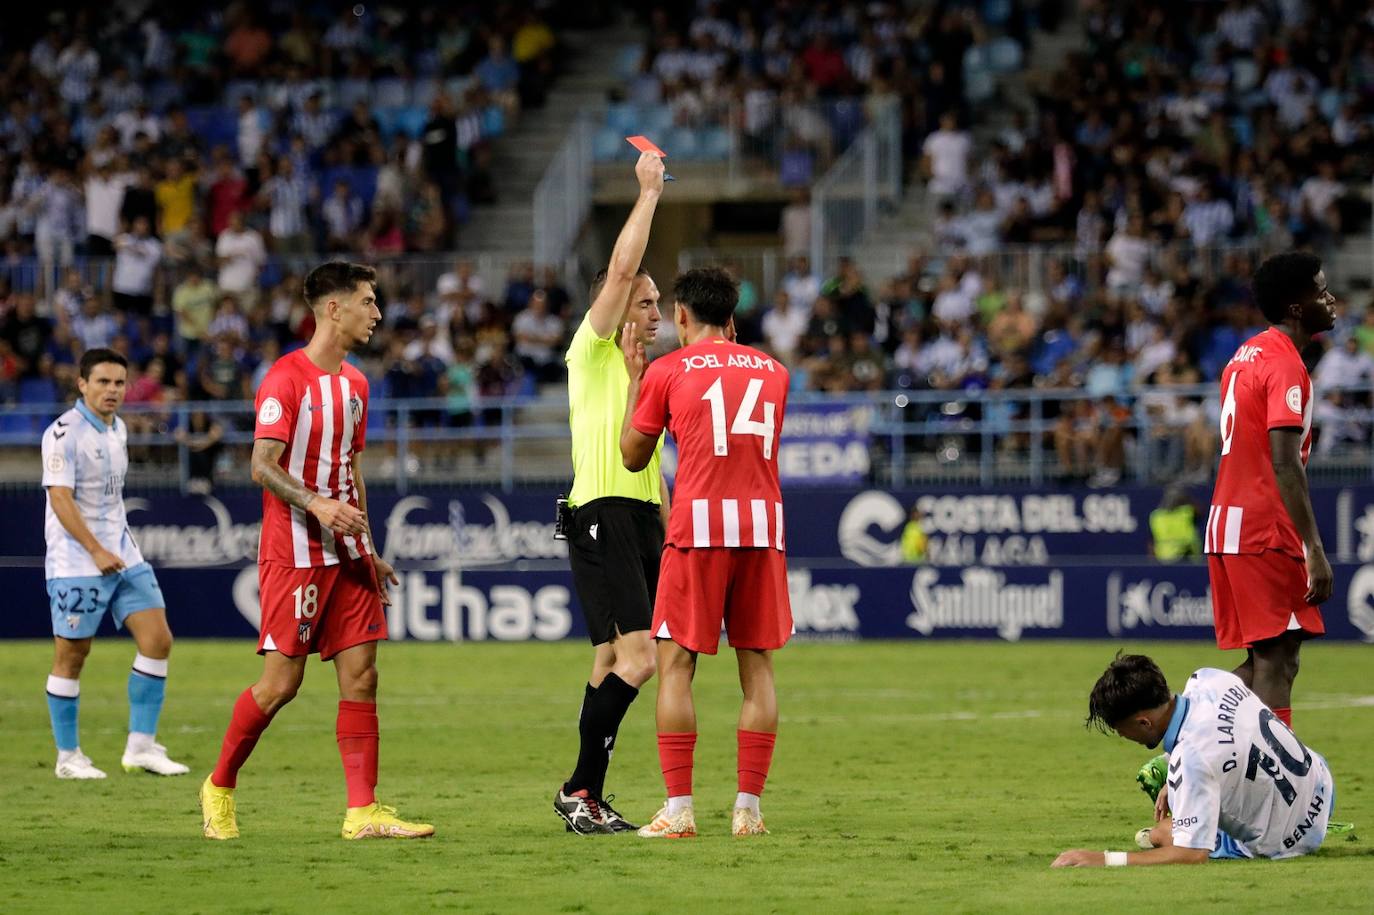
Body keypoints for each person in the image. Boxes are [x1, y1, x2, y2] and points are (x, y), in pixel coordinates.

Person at [200, 262, 433, 841]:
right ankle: (219, 785)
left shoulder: (356, 385)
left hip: (348, 556)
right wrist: (317, 506)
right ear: (334, 309)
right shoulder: (285, 378)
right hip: (296, 553)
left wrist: (368, 548)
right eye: (368, 302)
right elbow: (261, 466)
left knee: (363, 676)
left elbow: (349, 470)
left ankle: (363, 812)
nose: (377, 314)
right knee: (281, 685)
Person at [621, 266, 792, 839]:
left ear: (682, 316)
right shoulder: (776, 372)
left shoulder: (668, 370)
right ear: (734, 318)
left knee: (676, 666)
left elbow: (631, 456)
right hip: (762, 528)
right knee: (758, 669)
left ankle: (680, 811)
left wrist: (632, 379)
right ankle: (748, 810)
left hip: (697, 527)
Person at [552, 151, 669, 836]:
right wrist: (648, 192)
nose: (655, 310)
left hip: (636, 513)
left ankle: (584, 796)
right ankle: (577, 789)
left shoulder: (634, 369)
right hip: (602, 510)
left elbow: (641, 453)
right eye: (646, 301)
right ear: (615, 301)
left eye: (658, 303)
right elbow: (622, 268)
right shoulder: (589, 347)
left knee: (608, 661)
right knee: (640, 659)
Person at [40, 348, 189, 779]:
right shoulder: (64, 434)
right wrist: (94, 549)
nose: (112, 391)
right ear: (82, 384)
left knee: (158, 640)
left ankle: (141, 747)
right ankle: (68, 758)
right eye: (102, 382)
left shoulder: (118, 429)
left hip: (124, 554)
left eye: (119, 383)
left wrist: (113, 547)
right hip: (77, 561)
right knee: (72, 655)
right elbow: (60, 498)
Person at [1205, 251, 1335, 730]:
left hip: (1229, 523)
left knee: (1270, 658)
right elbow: (1283, 461)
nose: (1331, 298)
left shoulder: (1243, 357)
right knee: (1277, 661)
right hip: (1263, 527)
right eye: (1321, 290)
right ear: (1297, 307)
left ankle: (1185, 737)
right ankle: (1280, 791)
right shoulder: (1284, 364)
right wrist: (1314, 548)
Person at [1052, 654, 1336, 867]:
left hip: (1293, 841)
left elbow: (1192, 854)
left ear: (1143, 722)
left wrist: (1102, 859)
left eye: (1120, 729)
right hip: (1320, 785)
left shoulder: (1191, 759)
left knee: (1163, 833)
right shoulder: (1207, 679)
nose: (1122, 736)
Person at [1149, 485, 1201, 561]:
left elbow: (1200, 512)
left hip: (1187, 555)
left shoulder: (1186, 511)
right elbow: (1151, 541)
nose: (1173, 500)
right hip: (1164, 559)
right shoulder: (1157, 516)